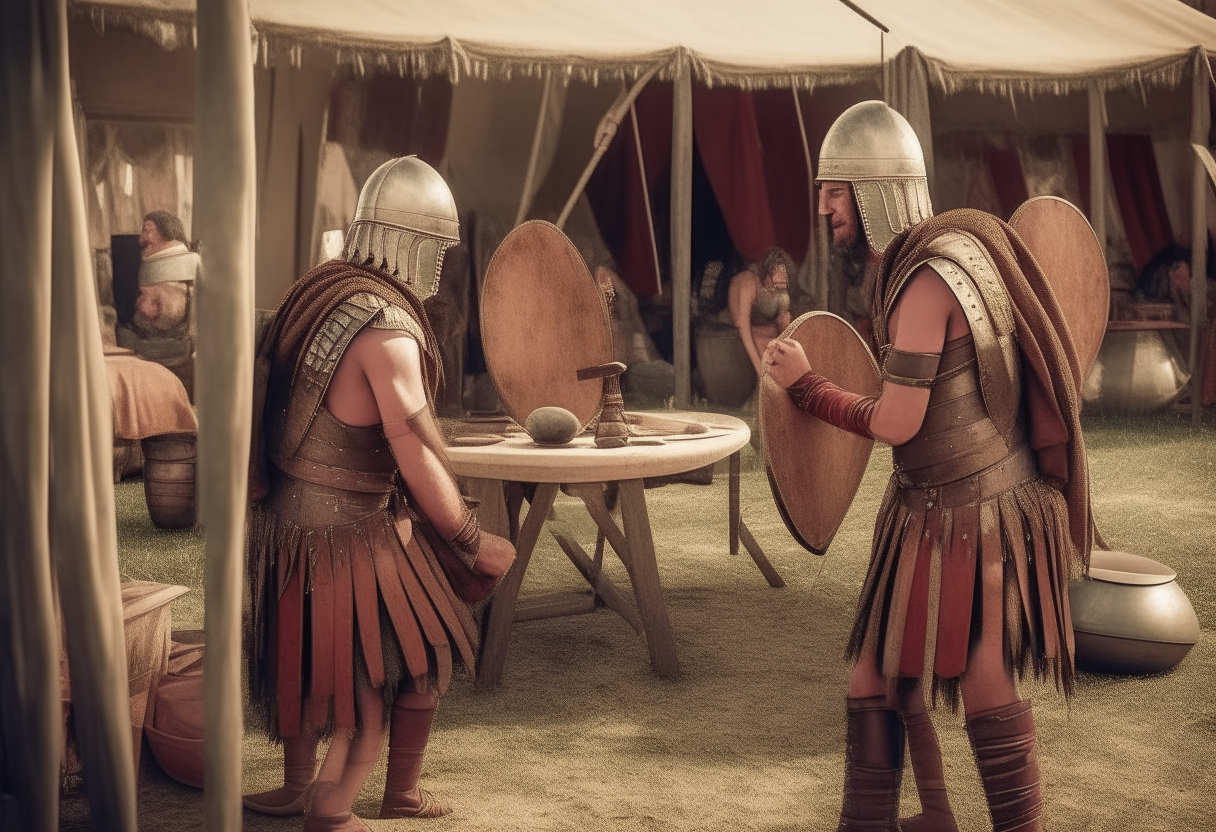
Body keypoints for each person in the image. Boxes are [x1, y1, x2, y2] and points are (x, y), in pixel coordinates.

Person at [765, 102, 1092, 832]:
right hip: (938, 503)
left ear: (880, 191)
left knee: (979, 678)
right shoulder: (938, 258)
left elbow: (898, 421)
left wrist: (808, 386)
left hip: (972, 512)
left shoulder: (924, 283)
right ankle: (917, 817)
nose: (825, 206)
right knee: (880, 677)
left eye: (838, 190)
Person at [242, 156, 515, 831]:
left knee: (307, 664)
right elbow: (416, 454)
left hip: (283, 522)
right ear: (418, 244)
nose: (443, 267)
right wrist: (469, 539)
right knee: (408, 662)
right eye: (440, 252)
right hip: (347, 533)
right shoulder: (387, 324)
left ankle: (349, 790)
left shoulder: (318, 289)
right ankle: (331, 810)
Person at [727, 246, 794, 376]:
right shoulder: (748, 282)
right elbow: (742, 327)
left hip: (768, 337)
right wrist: (759, 369)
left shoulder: (779, 288)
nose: (783, 278)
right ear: (769, 270)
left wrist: (785, 324)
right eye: (779, 271)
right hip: (741, 337)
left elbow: (783, 325)